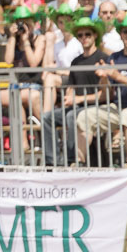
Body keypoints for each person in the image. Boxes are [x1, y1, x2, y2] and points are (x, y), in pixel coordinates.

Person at [75, 15, 127, 167]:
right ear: (121, 35)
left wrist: (117, 76)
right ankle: (79, 163)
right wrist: (104, 78)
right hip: (118, 107)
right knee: (84, 116)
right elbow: (108, 94)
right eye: (126, 32)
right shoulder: (115, 57)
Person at [40, 17, 108, 167]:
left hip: (97, 106)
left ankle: (72, 160)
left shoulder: (103, 59)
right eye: (81, 35)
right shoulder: (75, 62)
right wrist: (69, 98)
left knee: (72, 116)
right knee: (47, 117)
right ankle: (52, 162)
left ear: (95, 35)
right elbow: (71, 87)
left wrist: (78, 99)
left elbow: (105, 95)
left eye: (88, 34)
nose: (84, 38)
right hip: (78, 106)